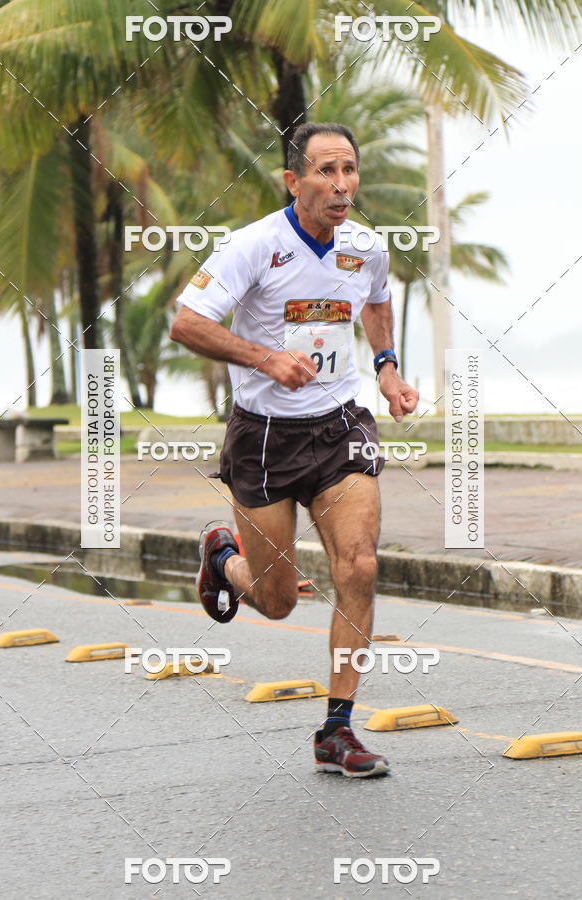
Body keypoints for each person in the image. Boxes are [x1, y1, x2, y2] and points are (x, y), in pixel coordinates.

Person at [170, 122, 419, 777]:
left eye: (349, 171)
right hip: (263, 438)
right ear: (293, 181)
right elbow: (186, 322)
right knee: (278, 600)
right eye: (325, 173)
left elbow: (375, 304)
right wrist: (263, 358)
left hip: (340, 426)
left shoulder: (365, 246)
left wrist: (388, 369)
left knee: (359, 567)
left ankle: (337, 730)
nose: (341, 186)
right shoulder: (253, 246)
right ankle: (224, 560)